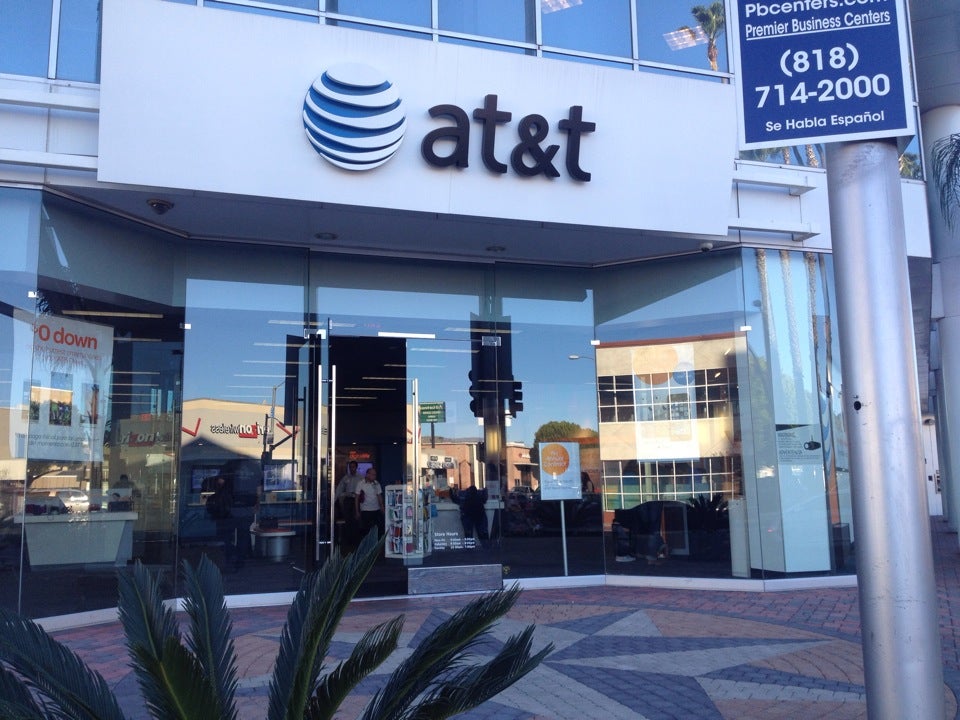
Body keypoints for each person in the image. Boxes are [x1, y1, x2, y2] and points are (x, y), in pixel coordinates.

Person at [206, 475, 245, 571]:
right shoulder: (231, 492)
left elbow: (213, 506)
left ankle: (230, 559)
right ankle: (234, 559)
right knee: (228, 540)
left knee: (224, 540)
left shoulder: (219, 493)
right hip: (230, 518)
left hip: (223, 519)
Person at [450, 462, 488, 547]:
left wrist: (451, 492)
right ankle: (486, 547)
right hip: (479, 516)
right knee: (482, 534)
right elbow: (485, 498)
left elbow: (455, 499)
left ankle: (470, 548)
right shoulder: (479, 496)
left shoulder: (465, 497)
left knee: (468, 535)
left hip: (468, 516)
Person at [335, 460, 363, 545]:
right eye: (350, 467)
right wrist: (336, 498)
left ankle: (356, 540)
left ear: (356, 467)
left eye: (353, 467)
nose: (351, 469)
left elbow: (363, 490)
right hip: (347, 500)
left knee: (355, 519)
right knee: (347, 519)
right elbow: (339, 489)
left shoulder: (360, 478)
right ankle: (348, 540)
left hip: (356, 500)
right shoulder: (346, 478)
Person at [354, 467, 384, 540]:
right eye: (373, 474)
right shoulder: (360, 483)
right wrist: (357, 511)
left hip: (376, 509)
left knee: (378, 529)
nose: (374, 476)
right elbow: (356, 498)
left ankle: (377, 544)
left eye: (375, 475)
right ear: (367, 475)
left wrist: (382, 508)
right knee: (366, 531)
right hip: (365, 510)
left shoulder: (377, 483)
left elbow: (379, 496)